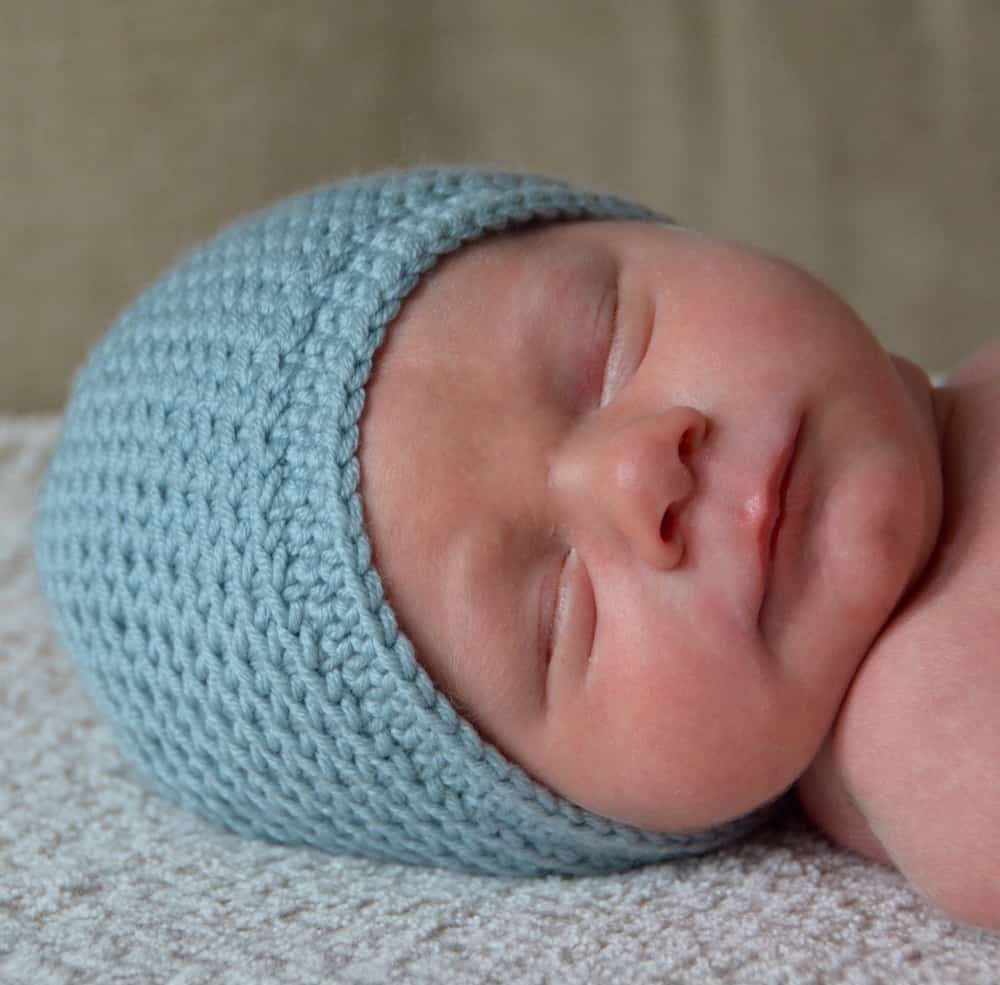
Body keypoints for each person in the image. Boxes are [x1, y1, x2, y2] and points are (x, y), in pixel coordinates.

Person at [33, 167, 999, 929]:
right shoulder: (945, 746)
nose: (637, 478)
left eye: (605, 351)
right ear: (581, 821)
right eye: (560, 612)